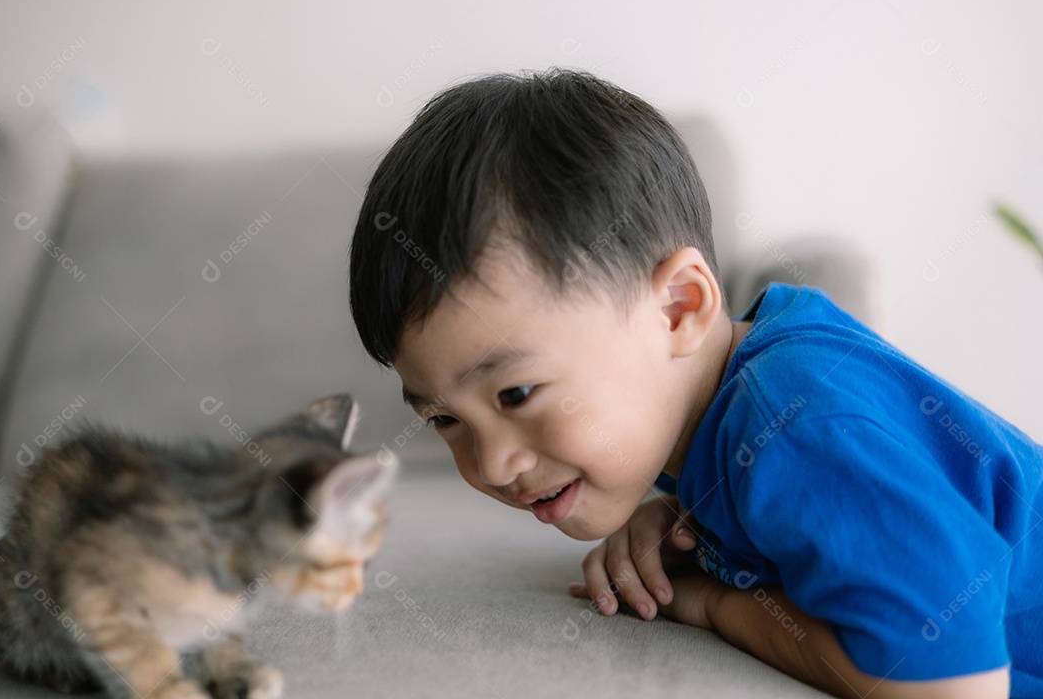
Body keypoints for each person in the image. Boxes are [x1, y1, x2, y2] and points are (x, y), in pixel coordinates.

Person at [347, 68, 1042, 698]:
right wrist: (695, 529)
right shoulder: (732, 406)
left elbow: (952, 687)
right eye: (444, 419)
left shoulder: (799, 423)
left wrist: (719, 606)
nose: (492, 464)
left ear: (679, 308)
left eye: (516, 394)